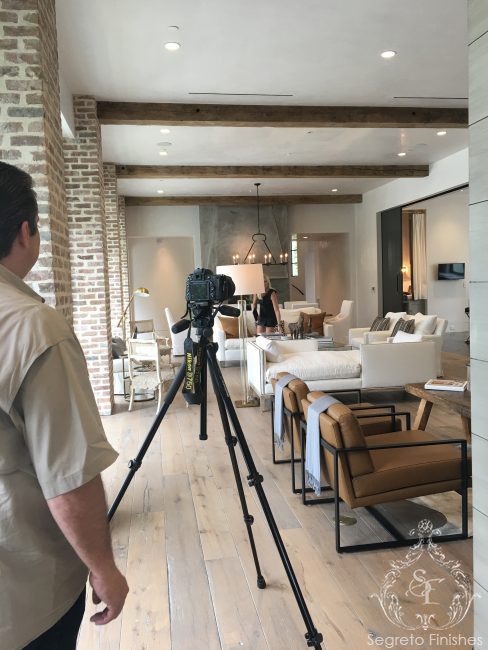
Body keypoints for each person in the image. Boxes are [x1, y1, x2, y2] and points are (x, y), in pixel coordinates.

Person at [0, 162, 129, 650]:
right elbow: (69, 477)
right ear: (25, 231)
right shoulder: (32, 327)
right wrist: (104, 569)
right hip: (23, 592)